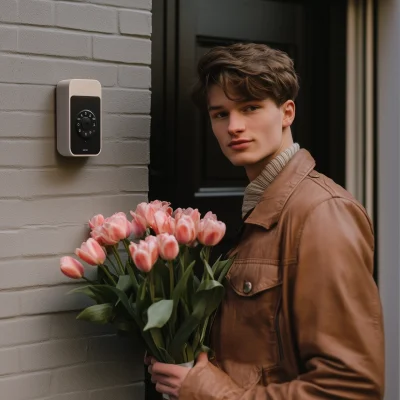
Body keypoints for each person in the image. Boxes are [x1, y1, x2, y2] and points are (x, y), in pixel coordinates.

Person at [146, 43, 385, 399]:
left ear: (287, 112)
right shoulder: (262, 204)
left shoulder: (322, 213)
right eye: (220, 114)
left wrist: (208, 392)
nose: (234, 127)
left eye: (251, 107)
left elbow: (351, 387)